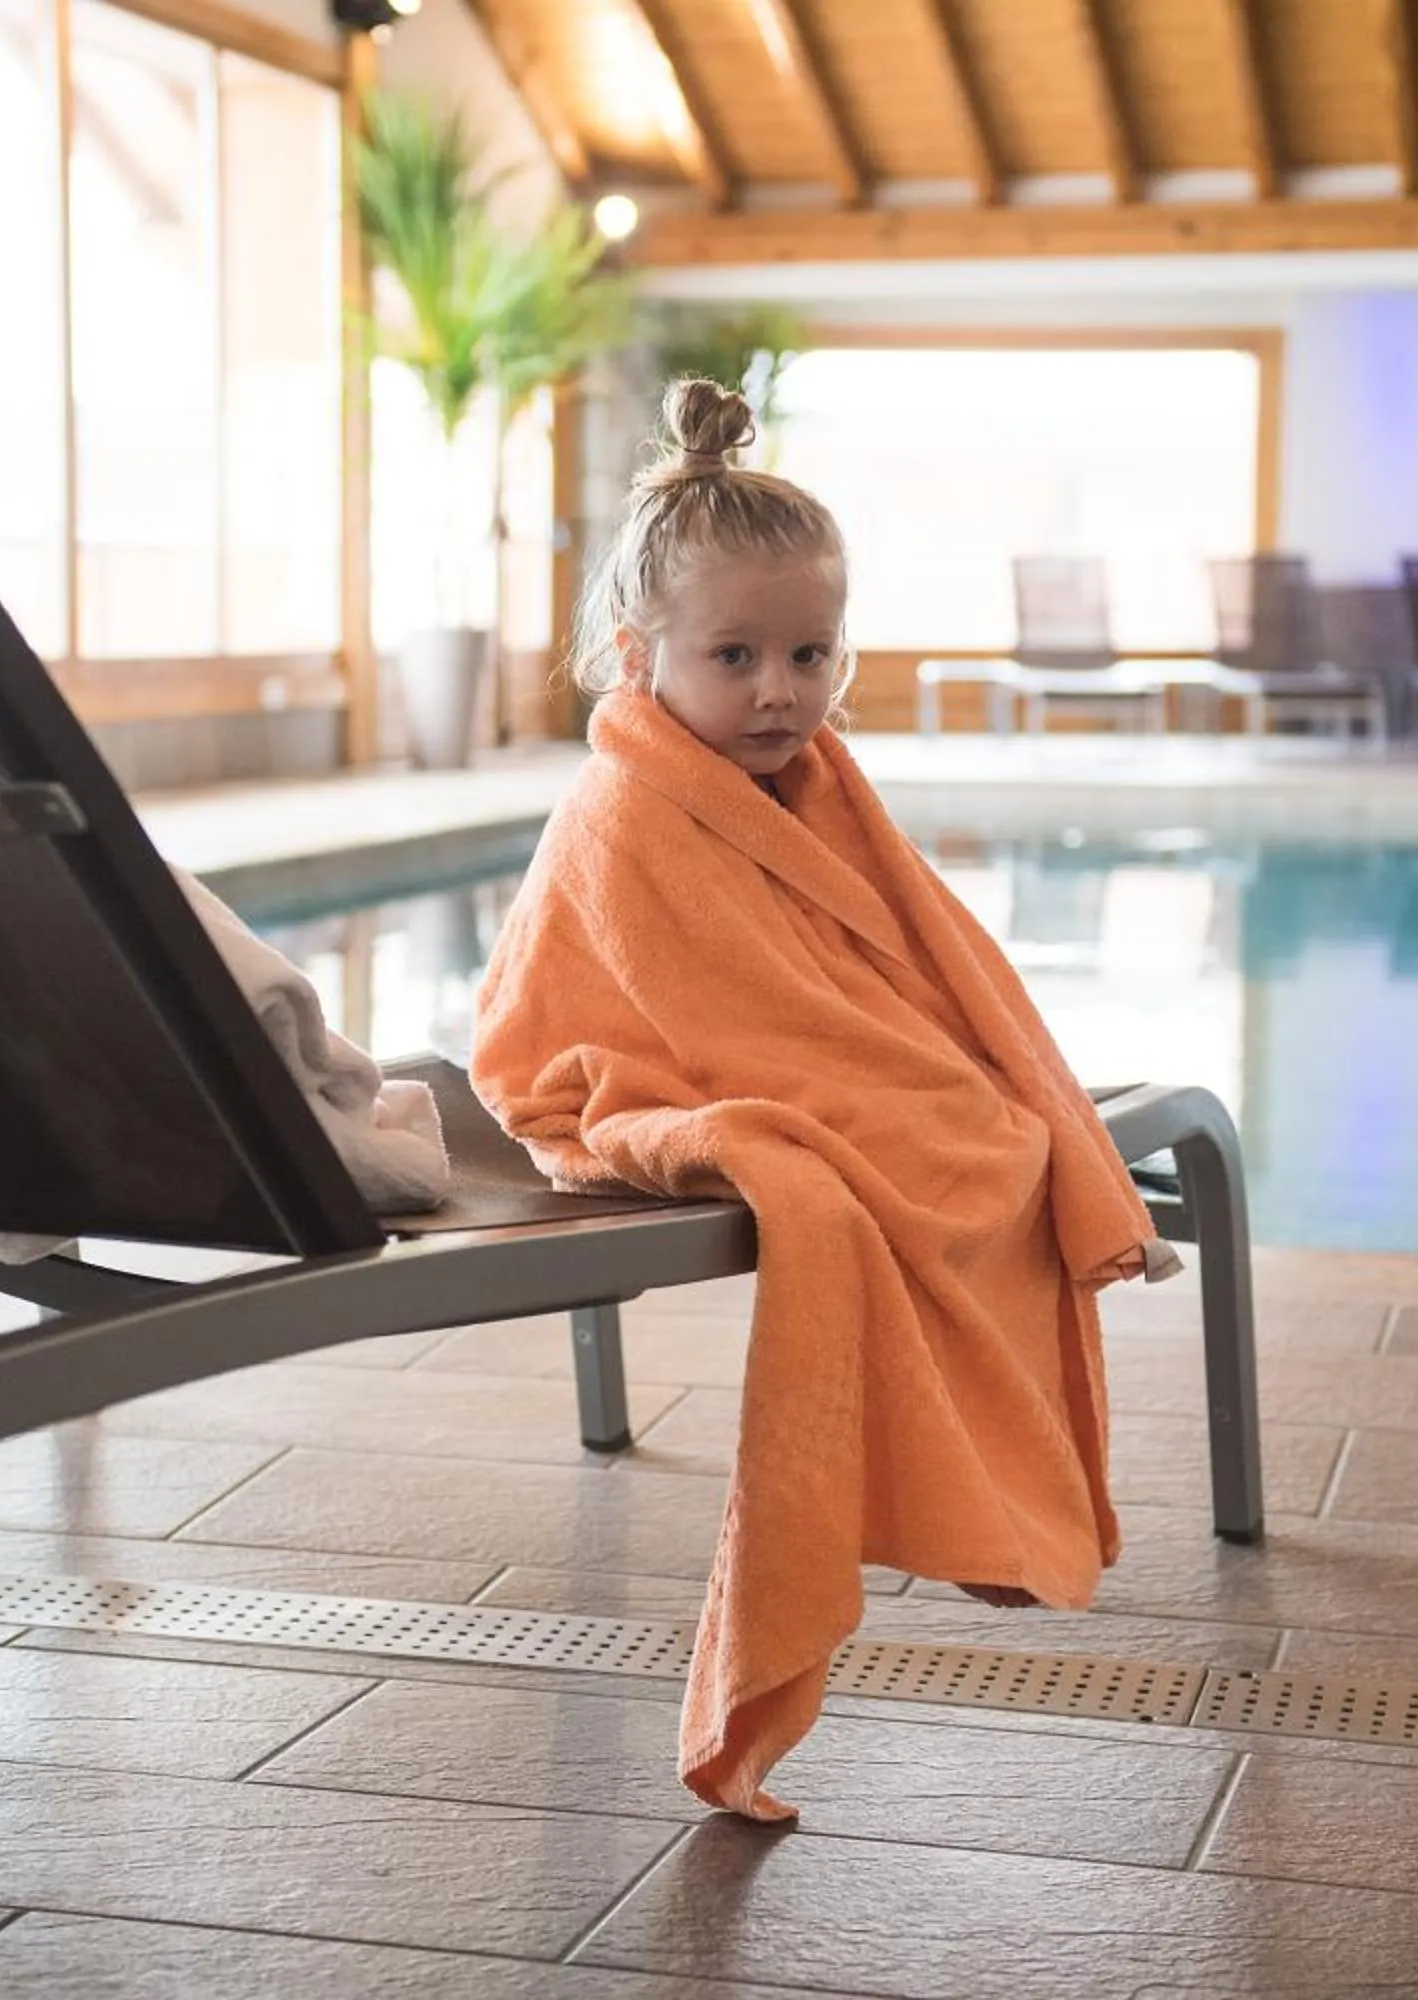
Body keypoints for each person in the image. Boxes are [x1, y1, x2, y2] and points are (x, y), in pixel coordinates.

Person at [471, 379, 1178, 1821]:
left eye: (811, 651)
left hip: (773, 1051)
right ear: (636, 652)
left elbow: (907, 960)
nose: (781, 690)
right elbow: (702, 997)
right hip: (633, 1062)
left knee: (990, 1127)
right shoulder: (624, 807)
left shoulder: (810, 778)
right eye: (736, 655)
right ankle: (976, 1499)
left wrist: (925, 1072)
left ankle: (988, 1481)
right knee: (926, 1150)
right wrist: (871, 1083)